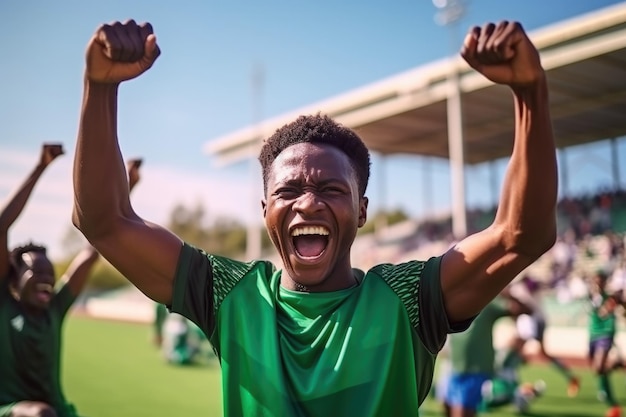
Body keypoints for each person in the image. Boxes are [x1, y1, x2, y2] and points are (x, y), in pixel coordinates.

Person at [72, 19, 558, 416]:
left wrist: (529, 95)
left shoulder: (410, 300)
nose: (307, 203)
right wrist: (100, 87)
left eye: (330, 189)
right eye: (288, 191)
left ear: (362, 209)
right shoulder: (228, 294)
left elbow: (521, 236)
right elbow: (104, 220)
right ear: (265, 211)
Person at [0, 149, 142, 417]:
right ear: (14, 279)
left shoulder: (55, 309)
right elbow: (1, 226)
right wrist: (41, 166)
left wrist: (127, 185)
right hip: (11, 409)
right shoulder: (4, 305)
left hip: (56, 410)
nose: (46, 279)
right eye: (36, 272)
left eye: (49, 273)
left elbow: (92, 251)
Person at [443, 290, 532, 417]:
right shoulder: (455, 297)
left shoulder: (487, 302)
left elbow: (526, 310)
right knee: (447, 409)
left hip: (476, 368)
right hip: (454, 366)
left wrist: (507, 294)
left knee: (462, 412)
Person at [510, 273, 580, 397]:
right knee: (541, 353)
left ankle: (515, 385)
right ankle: (570, 376)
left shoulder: (525, 284)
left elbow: (533, 287)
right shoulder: (517, 287)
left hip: (533, 320)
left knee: (516, 350)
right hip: (534, 319)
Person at [587, 269, 623, 417]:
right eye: (595, 280)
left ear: (604, 281)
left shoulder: (610, 297)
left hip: (606, 333)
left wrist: (614, 303)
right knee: (598, 369)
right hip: (592, 334)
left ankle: (611, 401)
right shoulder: (590, 296)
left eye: (600, 280)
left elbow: (619, 301)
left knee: (599, 367)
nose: (597, 283)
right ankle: (606, 391)